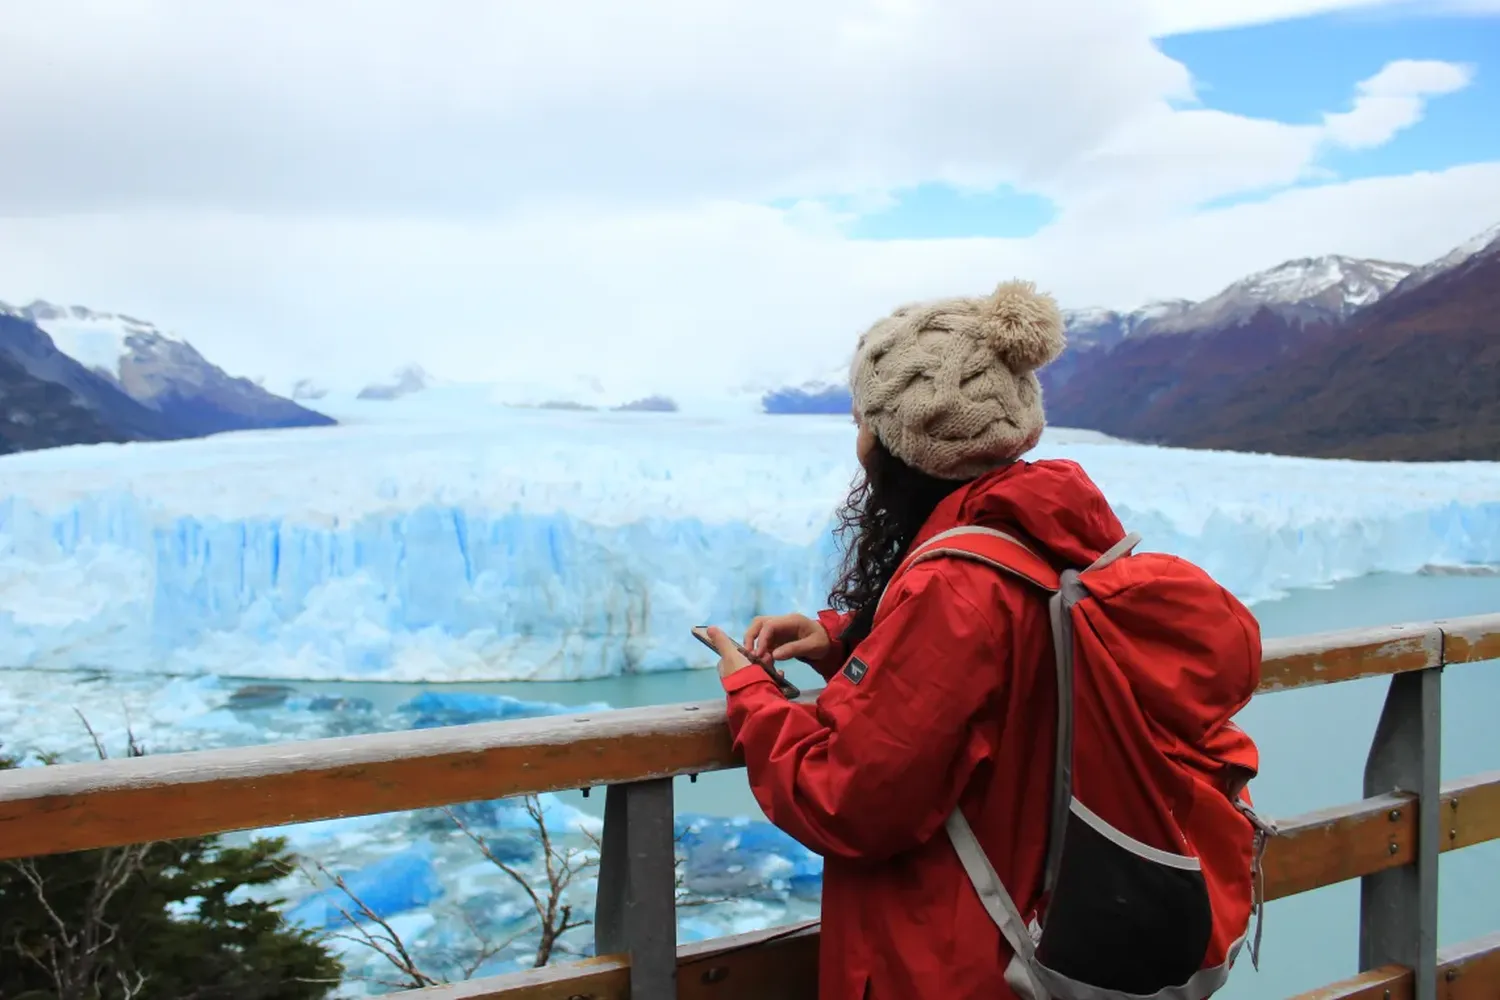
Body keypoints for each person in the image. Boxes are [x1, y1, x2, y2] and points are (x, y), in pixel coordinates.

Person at [704, 279, 1144, 999]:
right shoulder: (1055, 537)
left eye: (865, 421)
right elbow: (993, 672)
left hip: (954, 959)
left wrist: (751, 694)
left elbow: (850, 799)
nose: (860, 441)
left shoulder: (954, 587)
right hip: (1046, 930)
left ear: (902, 445)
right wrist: (847, 638)